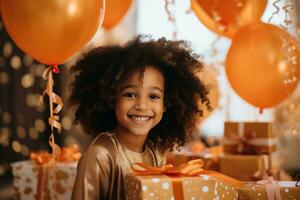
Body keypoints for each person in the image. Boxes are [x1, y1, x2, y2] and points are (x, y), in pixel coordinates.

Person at [69, 36, 211, 200]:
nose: (142, 106)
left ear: (166, 104)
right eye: (130, 94)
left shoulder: (156, 153)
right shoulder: (100, 156)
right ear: (112, 98)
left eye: (153, 96)